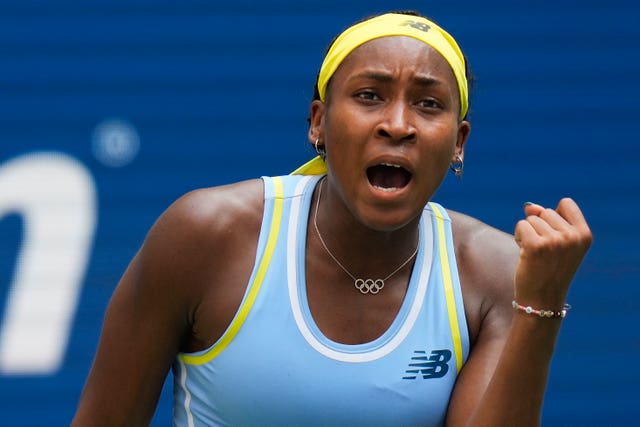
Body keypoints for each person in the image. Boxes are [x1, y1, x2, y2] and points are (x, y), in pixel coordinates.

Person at [71, 10, 592, 426]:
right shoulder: (205, 235)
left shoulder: (497, 273)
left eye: (428, 104)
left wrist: (539, 306)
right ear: (318, 123)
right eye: (370, 96)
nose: (397, 124)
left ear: (459, 143)